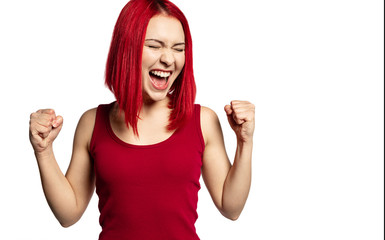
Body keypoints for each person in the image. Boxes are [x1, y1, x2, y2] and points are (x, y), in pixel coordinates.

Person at [29, 0, 255, 239]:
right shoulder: (92, 122)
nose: (169, 59)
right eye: (155, 46)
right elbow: (68, 215)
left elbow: (231, 208)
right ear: (127, 47)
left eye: (179, 48)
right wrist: (43, 152)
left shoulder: (203, 121)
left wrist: (245, 142)